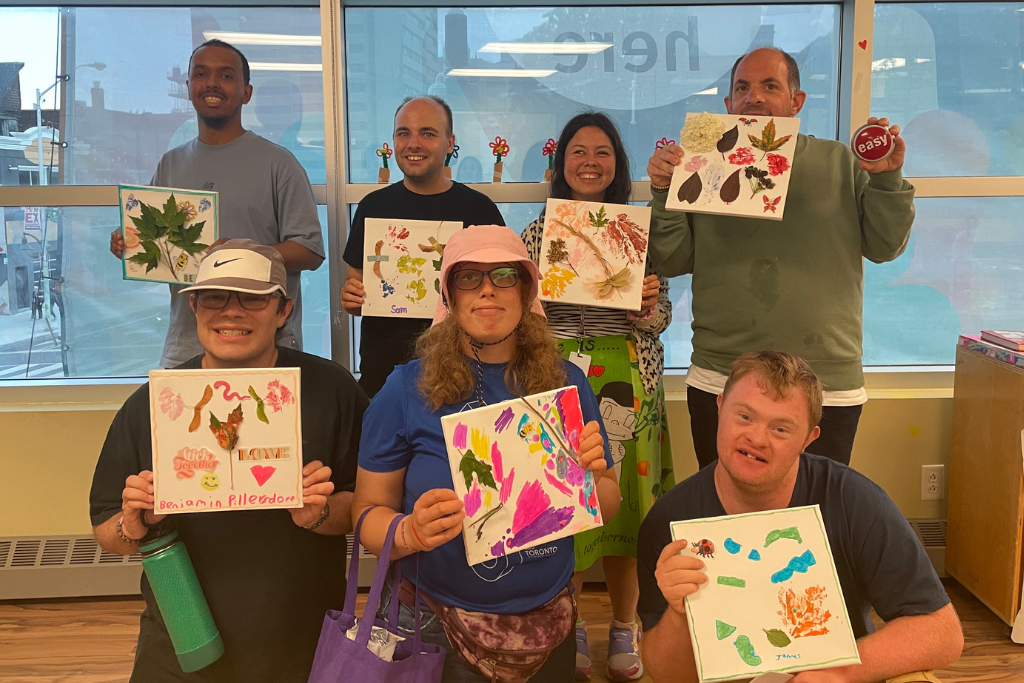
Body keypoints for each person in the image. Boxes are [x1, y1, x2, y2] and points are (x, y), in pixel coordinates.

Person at [89, 240, 367, 683]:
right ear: (194, 306)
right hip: (181, 643)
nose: (232, 312)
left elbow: (370, 505)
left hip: (303, 649)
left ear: (284, 310)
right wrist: (135, 524)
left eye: (254, 298)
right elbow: (107, 529)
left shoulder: (331, 389)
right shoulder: (155, 405)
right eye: (215, 296)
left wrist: (320, 514)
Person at [352, 225, 620, 682]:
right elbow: (365, 514)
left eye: (503, 275)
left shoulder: (566, 381)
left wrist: (590, 482)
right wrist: (409, 532)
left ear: (527, 290)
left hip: (550, 622)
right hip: (436, 631)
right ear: (450, 296)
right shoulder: (404, 389)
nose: (488, 290)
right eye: (469, 278)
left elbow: (608, 503)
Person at [646, 47, 915, 468]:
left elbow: (885, 245)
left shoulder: (841, 161)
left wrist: (886, 179)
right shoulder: (704, 163)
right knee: (728, 517)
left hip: (827, 380)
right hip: (722, 375)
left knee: (819, 518)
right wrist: (663, 192)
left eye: (770, 86)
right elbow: (672, 259)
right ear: (728, 105)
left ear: (797, 100)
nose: (754, 97)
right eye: (742, 88)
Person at [636, 350, 964, 683]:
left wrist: (837, 673)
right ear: (719, 408)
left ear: (809, 438)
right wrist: (678, 615)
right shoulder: (670, 520)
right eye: (744, 416)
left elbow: (943, 632)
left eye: (780, 429)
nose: (756, 438)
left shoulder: (854, 501)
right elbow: (668, 675)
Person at [520, 111, 674, 682]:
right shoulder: (537, 232)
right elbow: (521, 318)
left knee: (628, 508)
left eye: (602, 151)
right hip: (557, 378)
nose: (590, 161)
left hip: (630, 375)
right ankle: (576, 626)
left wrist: (648, 307)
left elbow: (661, 320)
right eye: (578, 151)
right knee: (570, 506)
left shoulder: (640, 231)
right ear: (560, 163)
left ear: (617, 164)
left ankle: (623, 628)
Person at [110, 39, 325, 369]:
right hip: (187, 342)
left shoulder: (278, 163)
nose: (211, 83)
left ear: (246, 92)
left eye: (226, 75)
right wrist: (129, 242)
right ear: (189, 87)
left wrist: (240, 255)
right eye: (201, 74)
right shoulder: (171, 164)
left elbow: (310, 251)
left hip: (265, 344)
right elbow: (155, 241)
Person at [340, 95, 505, 397]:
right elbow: (356, 288)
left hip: (463, 375)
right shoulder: (371, 207)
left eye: (427, 133)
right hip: (383, 377)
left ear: (449, 141)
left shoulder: (480, 211)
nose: (413, 143)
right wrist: (352, 298)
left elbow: (503, 295)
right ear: (394, 141)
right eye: (404, 133)